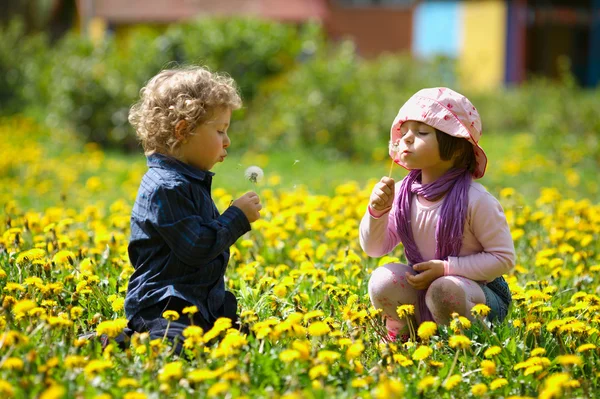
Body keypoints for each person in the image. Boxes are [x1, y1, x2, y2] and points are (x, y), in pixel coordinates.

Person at [122, 66, 262, 353]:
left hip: (197, 305)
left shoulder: (188, 181)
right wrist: (236, 217)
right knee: (175, 345)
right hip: (163, 306)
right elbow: (197, 247)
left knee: (246, 338)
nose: (228, 141)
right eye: (220, 131)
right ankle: (120, 339)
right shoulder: (166, 188)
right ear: (183, 131)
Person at [359, 87, 515, 342]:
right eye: (405, 131)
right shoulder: (401, 194)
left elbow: (503, 258)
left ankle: (467, 342)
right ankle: (404, 337)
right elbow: (374, 248)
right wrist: (377, 212)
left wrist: (447, 269)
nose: (407, 139)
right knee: (382, 281)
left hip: (479, 295)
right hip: (425, 287)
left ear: (455, 148)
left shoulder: (476, 200)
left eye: (421, 132)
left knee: (444, 289)